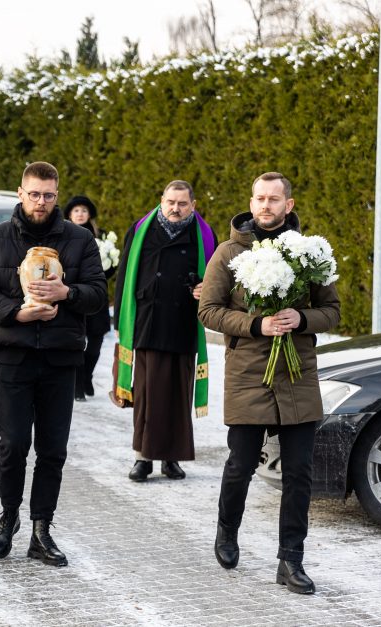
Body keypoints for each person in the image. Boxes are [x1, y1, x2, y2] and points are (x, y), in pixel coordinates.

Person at [198, 172, 340, 594]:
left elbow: (331, 311)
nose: (265, 206)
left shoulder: (310, 253)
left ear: (288, 205)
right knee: (240, 465)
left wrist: (303, 318)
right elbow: (208, 310)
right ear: (251, 201)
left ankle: (290, 560)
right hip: (248, 373)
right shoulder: (227, 253)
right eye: (260, 198)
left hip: (297, 373)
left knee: (300, 473)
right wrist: (256, 324)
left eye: (274, 199)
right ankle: (227, 532)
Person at [0, 161, 107, 567]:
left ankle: (41, 529)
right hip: (14, 355)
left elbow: (97, 294)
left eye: (47, 195)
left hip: (62, 358)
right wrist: (16, 312)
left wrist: (67, 292)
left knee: (53, 450)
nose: (40, 202)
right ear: (20, 193)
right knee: (12, 444)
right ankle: (8, 517)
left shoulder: (79, 240)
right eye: (33, 194)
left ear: (57, 195)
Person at [112, 181, 218, 482]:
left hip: (183, 322)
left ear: (193, 206)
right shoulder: (141, 229)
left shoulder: (206, 235)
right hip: (147, 320)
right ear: (162, 201)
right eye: (170, 202)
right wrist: (121, 317)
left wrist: (205, 289)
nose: (175, 208)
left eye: (182, 203)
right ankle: (142, 458)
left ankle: (172, 458)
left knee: (177, 394)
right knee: (145, 393)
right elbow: (124, 274)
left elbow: (216, 278)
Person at [63, 195, 114, 401]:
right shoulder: (65, 236)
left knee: (95, 343)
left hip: (95, 296)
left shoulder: (102, 237)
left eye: (84, 210)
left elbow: (111, 266)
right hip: (73, 296)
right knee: (76, 343)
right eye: (76, 210)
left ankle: (87, 376)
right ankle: (76, 384)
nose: (80, 214)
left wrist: (108, 268)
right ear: (69, 214)